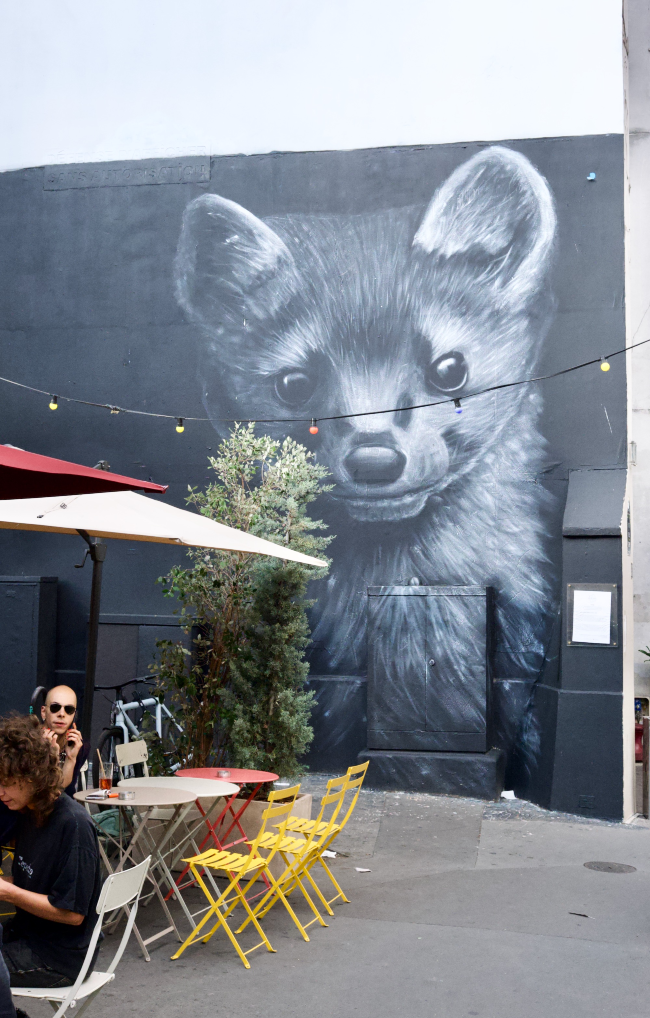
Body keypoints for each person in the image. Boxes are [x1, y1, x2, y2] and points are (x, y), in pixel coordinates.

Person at [0, 715, 101, 992]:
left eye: (7, 783)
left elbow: (72, 914)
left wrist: (7, 892)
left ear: (33, 777)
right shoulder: (28, 810)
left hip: (61, 957)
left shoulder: (74, 825)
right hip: (27, 934)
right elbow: (31, 881)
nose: (0, 793)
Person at [40, 687, 90, 796]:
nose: (62, 714)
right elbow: (42, 793)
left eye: (69, 709)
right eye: (55, 707)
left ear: (74, 715)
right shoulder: (29, 742)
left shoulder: (78, 745)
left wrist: (71, 758)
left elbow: (60, 789)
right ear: (43, 712)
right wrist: (47, 755)